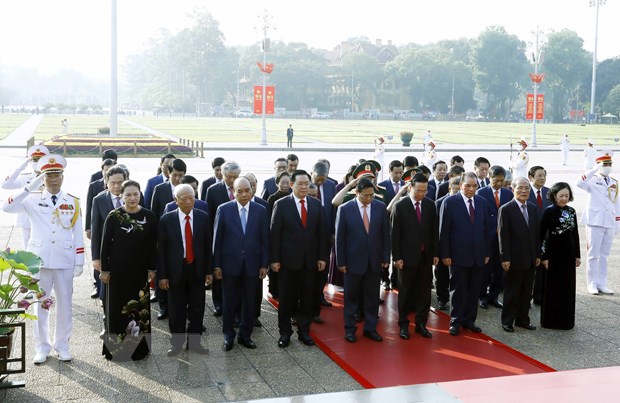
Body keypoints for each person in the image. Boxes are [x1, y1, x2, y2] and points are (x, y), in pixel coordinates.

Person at [2, 154, 85, 364]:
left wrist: (79, 261)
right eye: (49, 175)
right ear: (42, 177)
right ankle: (42, 347)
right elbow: (7, 206)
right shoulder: (31, 199)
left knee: (65, 304)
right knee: (40, 304)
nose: (53, 179)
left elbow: (77, 233)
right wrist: (30, 187)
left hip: (64, 260)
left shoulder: (72, 202)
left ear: (63, 177)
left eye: (57, 174)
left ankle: (62, 345)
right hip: (39, 260)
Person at [99, 180, 157, 360]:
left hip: (140, 272)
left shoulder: (149, 216)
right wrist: (105, 269)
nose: (132, 198)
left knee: (140, 310)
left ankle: (139, 350)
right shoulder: (114, 216)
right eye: (128, 195)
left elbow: (152, 245)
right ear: (122, 196)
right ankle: (116, 350)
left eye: (135, 194)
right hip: (117, 272)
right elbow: (105, 245)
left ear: (140, 195)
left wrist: (152, 268)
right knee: (116, 310)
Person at [270, 169, 328, 348]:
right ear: (292, 185)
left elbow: (322, 234)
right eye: (300, 184)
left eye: (306, 184)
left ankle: (304, 331)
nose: (304, 187)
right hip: (288, 262)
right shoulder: (281, 204)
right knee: (287, 299)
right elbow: (274, 234)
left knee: (307, 298)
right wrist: (274, 259)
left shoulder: (316, 205)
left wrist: (322, 257)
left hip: (310, 262)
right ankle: (285, 333)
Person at [213, 178, 269, 351]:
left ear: (252, 190)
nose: (244, 194)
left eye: (247, 190)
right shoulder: (224, 209)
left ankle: (246, 335)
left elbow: (265, 240)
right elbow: (217, 240)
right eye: (240, 191)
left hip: (253, 264)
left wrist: (264, 264)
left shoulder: (261, 210)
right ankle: (228, 336)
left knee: (250, 301)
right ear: (233, 192)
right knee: (229, 302)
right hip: (230, 265)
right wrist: (216, 265)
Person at [158, 184, 212, 356]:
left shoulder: (203, 217)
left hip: (197, 268)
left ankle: (194, 342)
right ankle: (176, 343)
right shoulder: (166, 220)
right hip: (176, 270)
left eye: (192, 197)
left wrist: (209, 271)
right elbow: (161, 250)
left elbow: (207, 246)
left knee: (198, 307)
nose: (189, 202)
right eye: (184, 199)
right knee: (176, 308)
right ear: (176, 201)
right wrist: (163, 275)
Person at [335, 178, 391, 343]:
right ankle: (350, 329)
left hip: (374, 261)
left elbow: (385, 236)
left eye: (372, 195)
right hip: (352, 262)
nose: (369, 199)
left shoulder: (380, 207)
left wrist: (386, 257)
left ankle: (370, 328)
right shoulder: (345, 209)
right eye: (365, 195)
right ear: (357, 193)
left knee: (372, 298)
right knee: (351, 298)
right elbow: (340, 239)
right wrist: (341, 262)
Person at [439, 172, 491, 336]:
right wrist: (445, 254)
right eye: (467, 185)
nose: (471, 189)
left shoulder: (482, 202)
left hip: (478, 254)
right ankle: (456, 320)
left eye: (474, 186)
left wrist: (486, 252)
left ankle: (470, 321)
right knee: (458, 289)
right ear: (460, 185)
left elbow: (486, 229)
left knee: (474, 290)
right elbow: (444, 231)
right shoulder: (450, 202)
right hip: (457, 255)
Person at [391, 173, 438, 339]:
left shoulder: (430, 205)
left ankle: (421, 324)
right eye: (418, 190)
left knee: (425, 292)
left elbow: (434, 232)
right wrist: (396, 257)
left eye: (424, 191)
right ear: (410, 187)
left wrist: (435, 253)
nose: (421, 194)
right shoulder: (400, 206)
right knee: (405, 292)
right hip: (406, 258)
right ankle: (403, 325)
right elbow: (395, 234)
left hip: (425, 257)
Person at [498, 177, 540, 333]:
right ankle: (507, 321)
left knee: (526, 292)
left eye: (527, 188)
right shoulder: (506, 209)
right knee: (512, 291)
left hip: (530, 258)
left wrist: (537, 255)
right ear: (513, 189)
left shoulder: (533, 208)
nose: (524, 191)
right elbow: (503, 236)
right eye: (520, 188)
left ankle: (522, 320)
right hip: (513, 259)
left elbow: (536, 235)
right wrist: (505, 258)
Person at [576, 152, 620, 295]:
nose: (607, 167)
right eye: (604, 164)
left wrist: (617, 222)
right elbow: (579, 182)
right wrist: (594, 169)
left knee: (604, 255)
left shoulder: (614, 182)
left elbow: (617, 204)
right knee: (593, 254)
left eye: (609, 164)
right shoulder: (592, 180)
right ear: (599, 165)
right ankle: (592, 283)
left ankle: (602, 283)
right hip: (595, 221)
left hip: (608, 221)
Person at [540, 182, 581, 330]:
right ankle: (550, 321)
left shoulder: (572, 211)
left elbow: (575, 234)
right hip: (553, 255)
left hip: (568, 255)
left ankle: (566, 321)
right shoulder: (549, 211)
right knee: (552, 288)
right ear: (554, 196)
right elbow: (542, 235)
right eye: (561, 196)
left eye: (566, 196)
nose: (564, 198)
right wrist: (544, 256)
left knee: (567, 288)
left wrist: (577, 255)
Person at [206, 161, 241, 317]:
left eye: (236, 177)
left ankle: (235, 304)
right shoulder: (213, 190)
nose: (233, 181)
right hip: (219, 237)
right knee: (218, 272)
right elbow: (209, 216)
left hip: (238, 240)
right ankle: (218, 304)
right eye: (229, 177)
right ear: (222, 174)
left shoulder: (242, 189)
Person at [476, 165, 512, 310]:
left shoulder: (508, 194)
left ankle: (494, 296)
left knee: (499, 269)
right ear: (489, 178)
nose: (499, 184)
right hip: (487, 237)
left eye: (501, 181)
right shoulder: (481, 193)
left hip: (502, 239)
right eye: (496, 180)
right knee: (485, 268)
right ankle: (482, 296)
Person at [91, 166, 128, 304]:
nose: (117, 186)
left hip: (129, 251)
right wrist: (96, 257)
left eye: (120, 182)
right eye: (113, 183)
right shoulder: (99, 200)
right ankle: (107, 317)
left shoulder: (134, 196)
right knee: (107, 287)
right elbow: (96, 231)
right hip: (107, 251)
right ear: (106, 182)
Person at [2, 144, 49, 248]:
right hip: (27, 215)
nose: (36, 162)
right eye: (34, 160)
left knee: (45, 244)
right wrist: (20, 168)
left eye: (39, 159)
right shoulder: (26, 177)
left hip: (45, 214)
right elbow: (5, 185)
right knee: (27, 244)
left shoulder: (51, 177)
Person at [311, 161, 337, 321]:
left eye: (323, 179)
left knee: (323, 268)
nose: (320, 182)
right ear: (312, 173)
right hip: (309, 237)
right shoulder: (305, 184)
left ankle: (320, 294)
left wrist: (333, 232)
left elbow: (333, 209)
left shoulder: (331, 185)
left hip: (325, 235)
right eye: (318, 178)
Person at [434, 176, 461, 311]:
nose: (457, 194)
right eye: (455, 191)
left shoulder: (463, 202)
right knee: (442, 274)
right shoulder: (439, 203)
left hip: (458, 245)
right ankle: (442, 298)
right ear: (450, 188)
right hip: (442, 244)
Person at [527, 165, 551, 305]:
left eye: (544, 175)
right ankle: (526, 296)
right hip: (530, 235)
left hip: (545, 236)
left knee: (543, 265)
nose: (542, 178)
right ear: (531, 177)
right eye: (539, 175)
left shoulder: (549, 192)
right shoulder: (525, 191)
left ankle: (539, 295)